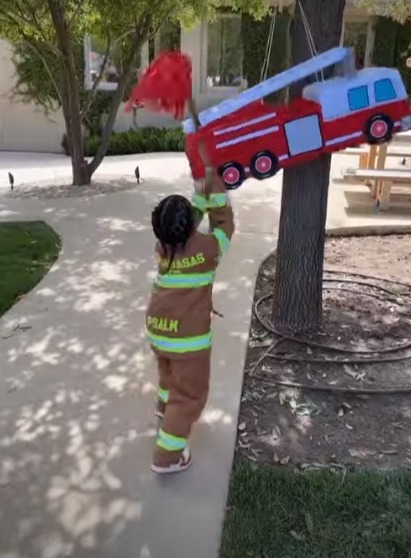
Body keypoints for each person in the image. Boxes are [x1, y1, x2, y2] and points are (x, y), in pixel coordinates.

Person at [146, 167, 235, 474]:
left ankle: (162, 407)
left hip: (159, 328)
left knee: (168, 371)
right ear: (191, 229)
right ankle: (167, 455)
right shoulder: (210, 250)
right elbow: (224, 224)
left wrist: (200, 193)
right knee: (189, 396)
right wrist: (215, 189)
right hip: (189, 339)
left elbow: (184, 228)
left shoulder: (162, 249)